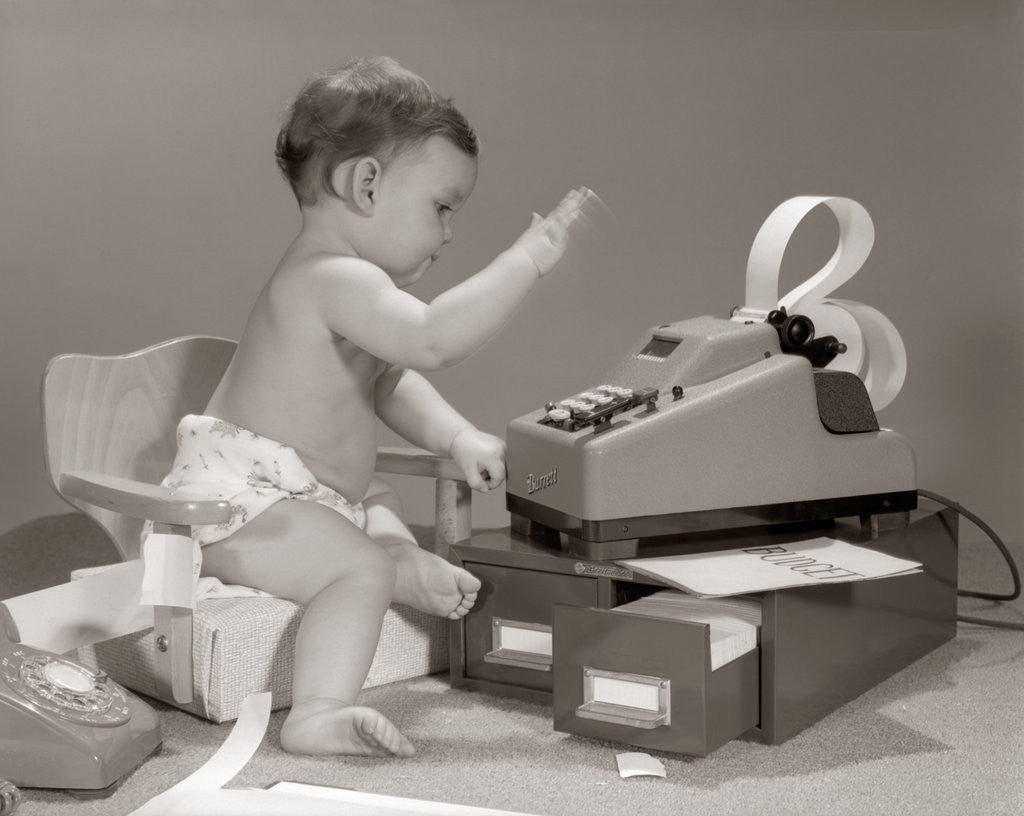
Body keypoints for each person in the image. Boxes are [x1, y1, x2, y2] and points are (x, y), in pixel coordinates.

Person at [157, 56, 590, 757]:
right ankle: (320, 712)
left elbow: (390, 381)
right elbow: (433, 341)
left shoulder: (352, 287)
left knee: (377, 494)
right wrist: (526, 260)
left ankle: (400, 562)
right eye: (442, 207)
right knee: (356, 564)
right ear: (365, 185)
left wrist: (455, 436)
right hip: (237, 504)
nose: (449, 232)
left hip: (304, 494)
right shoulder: (327, 277)